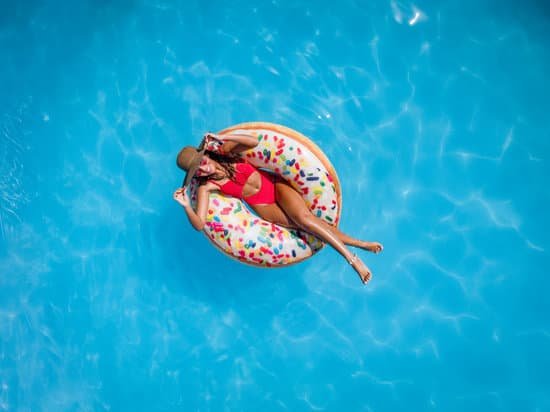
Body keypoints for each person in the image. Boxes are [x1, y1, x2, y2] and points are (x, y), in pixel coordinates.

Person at [173, 132, 383, 284]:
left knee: (304, 219)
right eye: (197, 169)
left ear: (206, 155)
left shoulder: (227, 153)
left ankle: (352, 258)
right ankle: (360, 244)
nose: (203, 167)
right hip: (264, 206)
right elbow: (199, 224)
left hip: (276, 186)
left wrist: (224, 138)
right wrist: (185, 206)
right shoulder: (207, 186)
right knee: (307, 225)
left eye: (201, 161)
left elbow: (253, 141)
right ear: (197, 174)